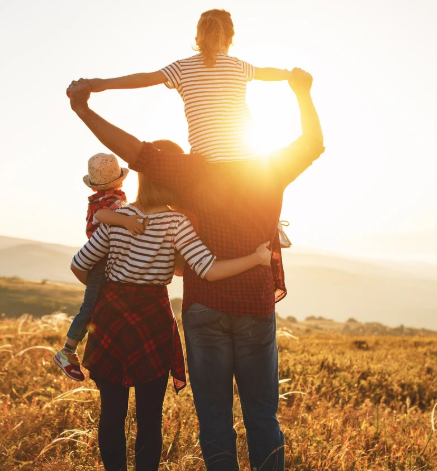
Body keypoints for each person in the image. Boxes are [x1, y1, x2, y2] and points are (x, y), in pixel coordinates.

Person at [66, 68, 323, 470]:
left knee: (213, 418)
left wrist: (83, 108)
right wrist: (302, 92)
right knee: (260, 415)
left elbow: (134, 153)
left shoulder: (185, 174)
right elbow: (312, 143)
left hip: (197, 308)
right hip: (251, 304)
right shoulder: (267, 168)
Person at [70, 138, 272, 471]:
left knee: (111, 412)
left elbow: (79, 264)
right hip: (152, 318)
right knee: (150, 417)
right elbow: (209, 270)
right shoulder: (177, 222)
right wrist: (257, 258)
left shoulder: (116, 218)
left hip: (111, 317)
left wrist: (108, 292)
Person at [83, 9, 291, 163]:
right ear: (230, 39)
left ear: (197, 39)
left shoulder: (181, 68)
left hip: (206, 162)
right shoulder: (238, 65)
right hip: (248, 158)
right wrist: (290, 75)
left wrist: (103, 84)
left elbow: (145, 79)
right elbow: (267, 73)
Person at [53, 153, 147, 381]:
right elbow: (102, 215)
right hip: (101, 259)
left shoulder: (110, 197)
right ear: (120, 179)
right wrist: (126, 221)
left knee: (100, 304)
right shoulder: (106, 201)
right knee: (90, 306)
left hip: (106, 257)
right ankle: (67, 350)